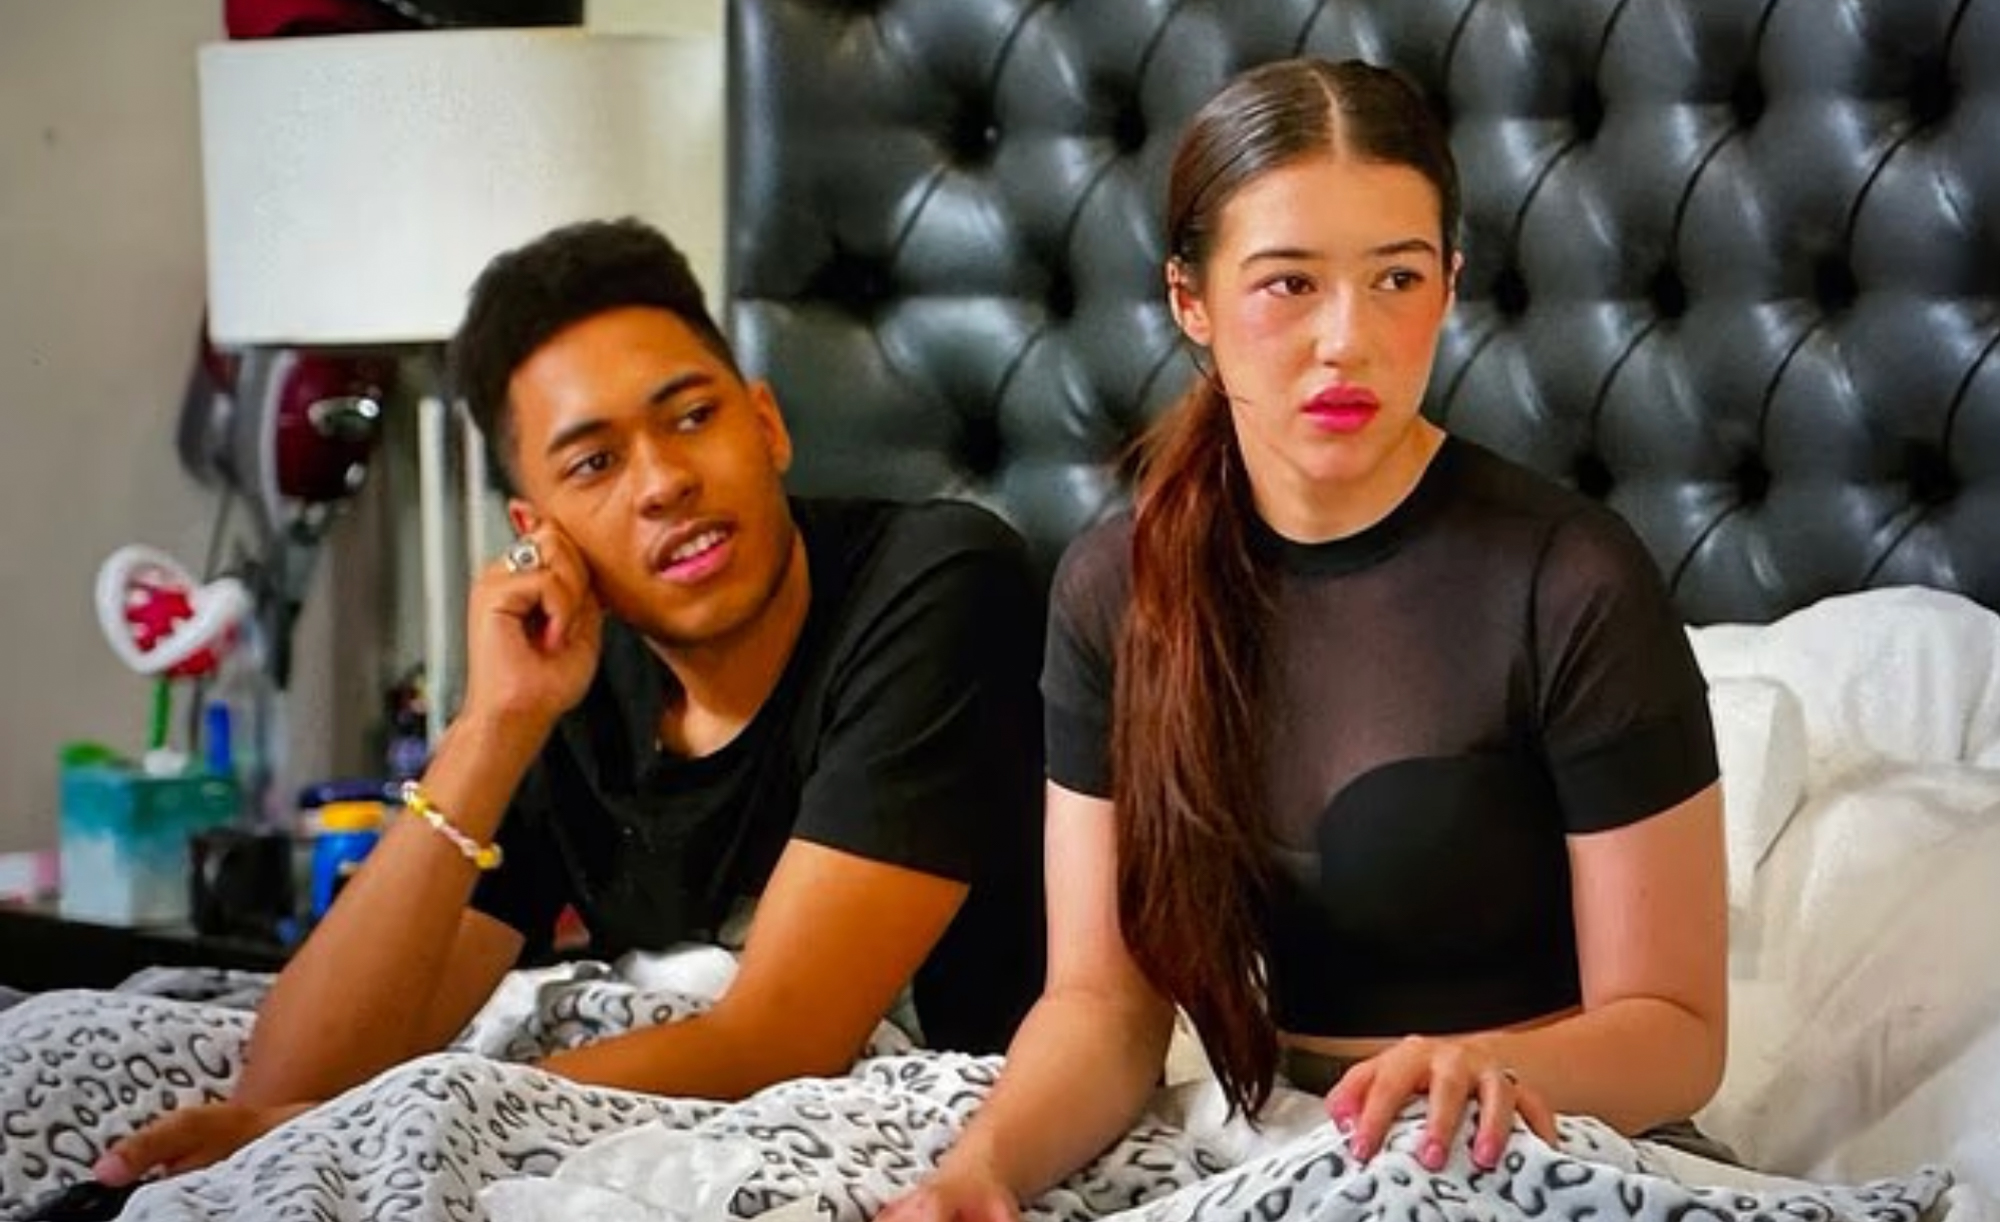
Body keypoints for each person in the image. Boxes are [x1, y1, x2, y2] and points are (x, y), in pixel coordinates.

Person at [884, 57, 1728, 1221]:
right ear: (1190, 300)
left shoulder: (1569, 578)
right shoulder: (1117, 589)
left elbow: (1677, 1035)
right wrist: (981, 1172)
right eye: (1287, 283)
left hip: (1544, 1145)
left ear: (1449, 286)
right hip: (1283, 1150)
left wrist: (1484, 1068)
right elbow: (1101, 1006)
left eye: (1396, 279)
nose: (1346, 340)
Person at [89, 217, 1048, 1187]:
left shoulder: (938, 584)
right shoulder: (574, 677)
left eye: (692, 417)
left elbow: (779, 1036)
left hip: (948, 1137)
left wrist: (371, 1123)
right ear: (536, 528)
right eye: (594, 463)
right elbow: (291, 1078)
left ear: (765, 424)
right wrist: (492, 727)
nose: (664, 482)